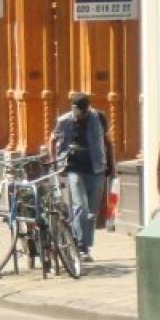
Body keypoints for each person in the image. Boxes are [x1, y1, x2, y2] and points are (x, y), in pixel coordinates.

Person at [48, 92, 115, 263]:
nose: (81, 115)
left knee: (91, 211)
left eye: (84, 112)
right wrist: (54, 162)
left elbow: (108, 142)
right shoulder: (64, 121)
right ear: (73, 109)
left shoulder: (99, 117)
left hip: (97, 168)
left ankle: (85, 244)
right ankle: (80, 245)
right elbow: (52, 140)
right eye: (78, 112)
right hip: (74, 168)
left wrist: (112, 166)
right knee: (79, 205)